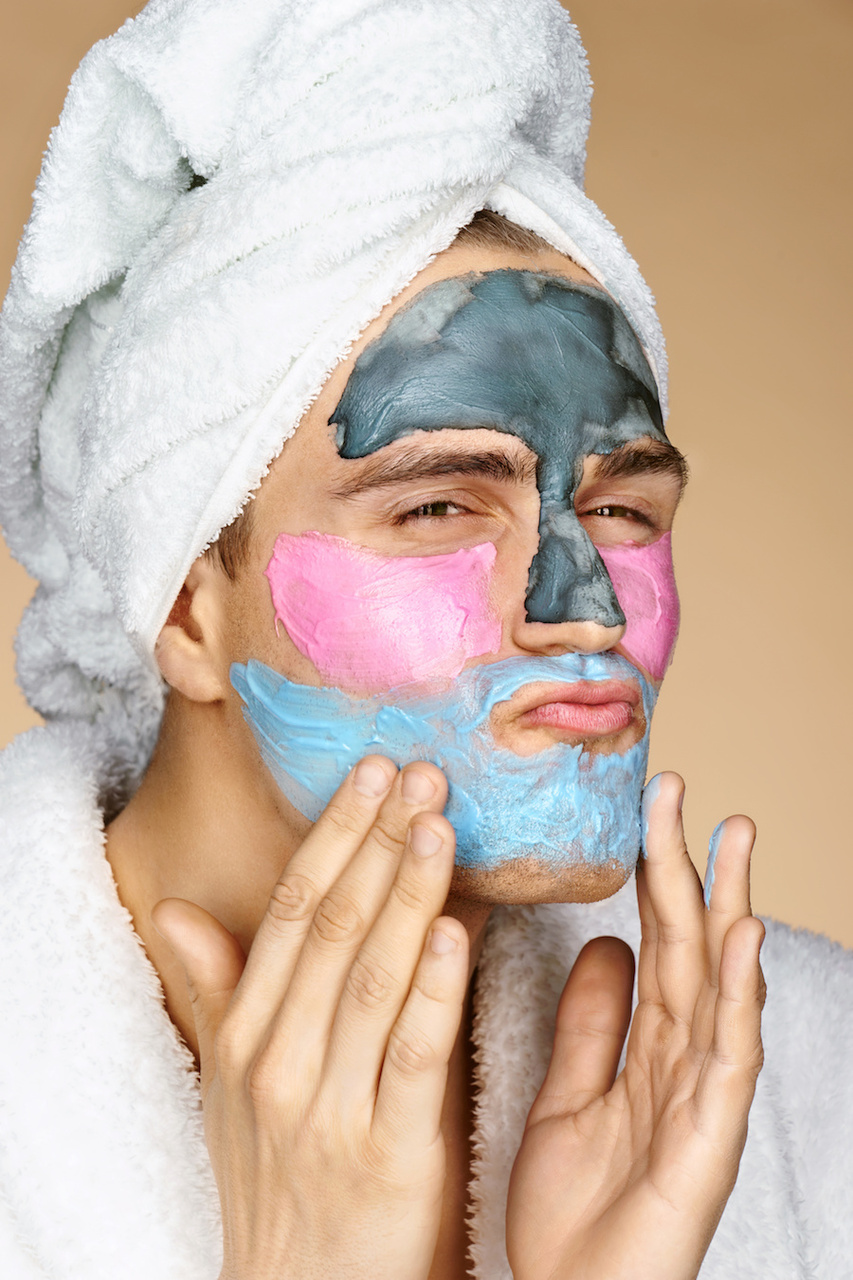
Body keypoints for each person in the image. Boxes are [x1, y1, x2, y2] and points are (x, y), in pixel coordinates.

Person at [0, 2, 851, 1278]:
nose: (587, 606)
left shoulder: (811, 1080)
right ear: (179, 605)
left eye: (619, 507)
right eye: (441, 505)